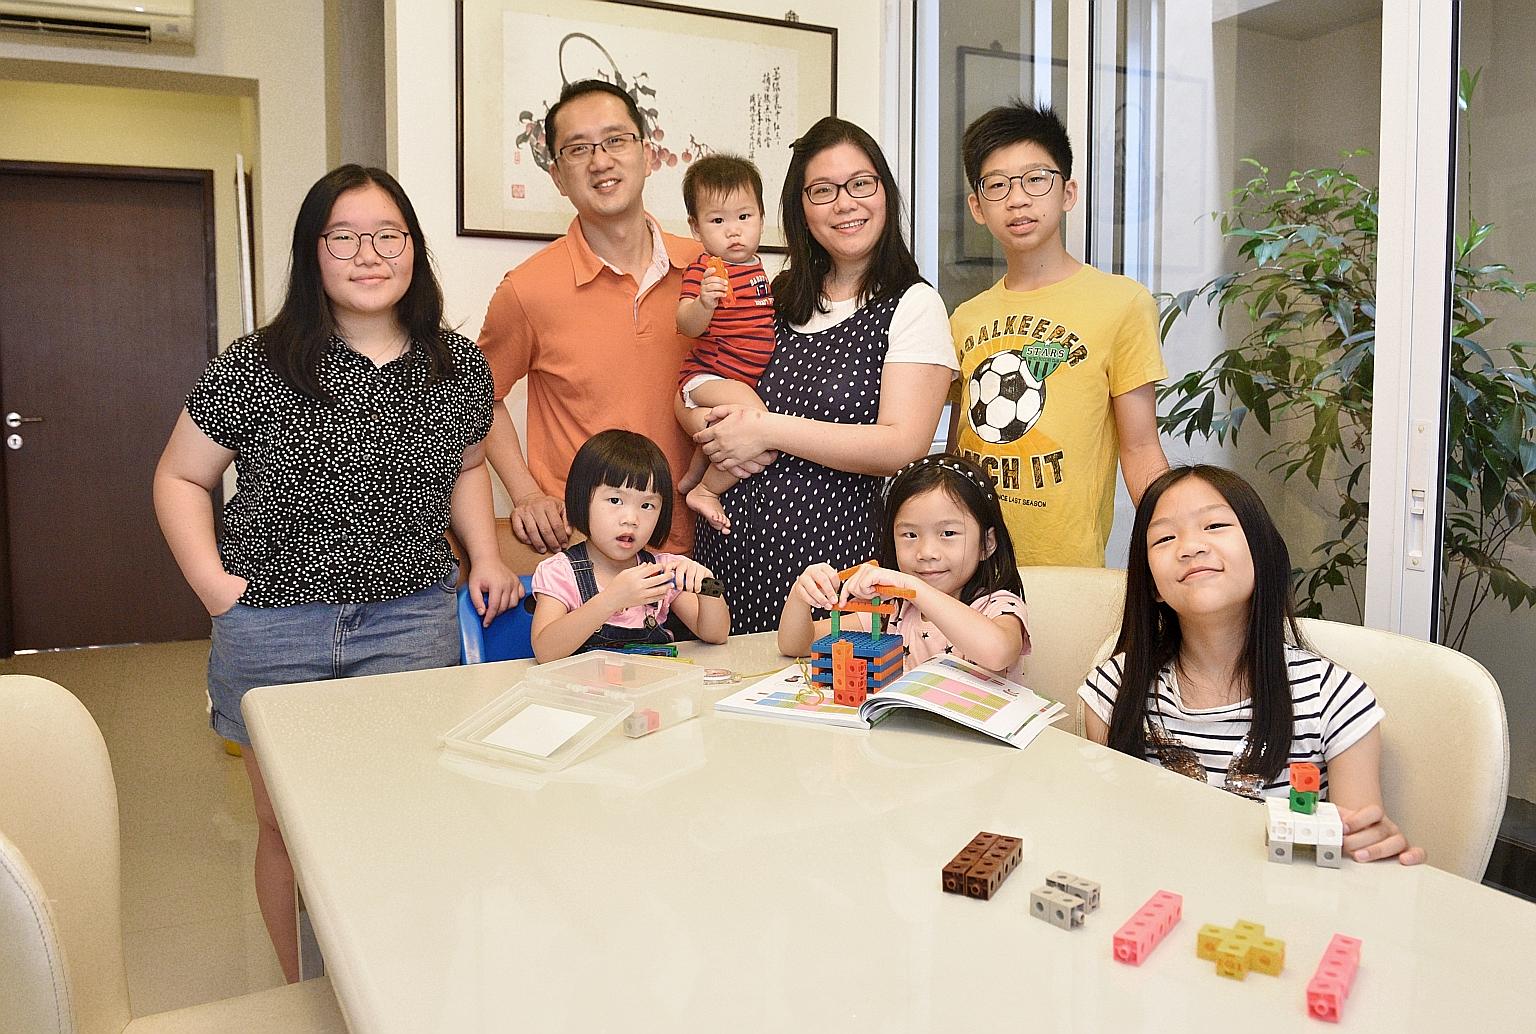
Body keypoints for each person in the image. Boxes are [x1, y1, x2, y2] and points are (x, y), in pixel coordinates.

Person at [153, 165, 522, 981]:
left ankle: (386, 979)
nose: (369, 254)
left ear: (412, 250)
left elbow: (466, 466)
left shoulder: (456, 365)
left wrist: (487, 554)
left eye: (388, 235)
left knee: (397, 815)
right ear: (312, 252)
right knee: (285, 823)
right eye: (344, 236)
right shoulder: (258, 363)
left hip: (409, 618)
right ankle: (302, 995)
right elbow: (180, 477)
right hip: (274, 625)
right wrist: (217, 588)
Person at [1078, 465, 1424, 864]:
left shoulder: (1334, 700)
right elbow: (1113, 835)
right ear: (1152, 584)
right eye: (1165, 537)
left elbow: (1355, 853)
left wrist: (1373, 846)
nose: (1190, 546)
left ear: (1262, 553)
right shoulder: (1111, 690)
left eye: (1215, 525)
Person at [692, 117, 957, 634]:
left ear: (885, 192)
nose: (845, 203)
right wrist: (704, 419)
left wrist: (766, 429)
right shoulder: (778, 293)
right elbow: (706, 371)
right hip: (727, 555)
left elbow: (901, 446)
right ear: (800, 209)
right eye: (822, 190)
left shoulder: (913, 304)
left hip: (833, 568)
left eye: (861, 184)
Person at [477, 78, 701, 556]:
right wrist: (526, 492)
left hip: (705, 542)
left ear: (646, 152)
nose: (601, 161)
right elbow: (477, 399)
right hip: (589, 561)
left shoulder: (706, 271)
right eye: (578, 149)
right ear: (557, 175)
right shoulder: (527, 289)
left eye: (616, 140)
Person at [950, 101, 1169, 567]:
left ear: (1067, 192)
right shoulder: (964, 318)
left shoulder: (1122, 303)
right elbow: (957, 449)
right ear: (977, 207)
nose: (1017, 199)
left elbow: (1140, 446)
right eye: (997, 185)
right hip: (968, 566)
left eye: (1036, 179)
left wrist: (1173, 538)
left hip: (1067, 571)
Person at [779, 454, 1030, 678]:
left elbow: (997, 653)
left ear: (987, 543)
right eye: (910, 535)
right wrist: (801, 593)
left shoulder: (998, 605)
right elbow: (798, 644)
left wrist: (914, 587)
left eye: (948, 533)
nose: (926, 553)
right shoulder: (895, 611)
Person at [529, 430, 730, 662]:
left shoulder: (663, 571)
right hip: (585, 695)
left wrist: (707, 586)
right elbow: (545, 651)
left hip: (651, 693)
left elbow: (716, 635)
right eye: (615, 500)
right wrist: (612, 599)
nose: (631, 519)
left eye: (647, 506)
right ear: (582, 498)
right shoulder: (561, 572)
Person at [673, 153, 776, 535]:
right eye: (718, 221)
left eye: (744, 217)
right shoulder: (705, 268)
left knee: (730, 430)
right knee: (756, 422)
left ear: (762, 218)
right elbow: (686, 325)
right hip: (706, 376)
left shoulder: (758, 267)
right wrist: (703, 302)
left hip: (737, 378)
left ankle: (690, 478)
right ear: (696, 227)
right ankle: (705, 491)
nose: (733, 231)